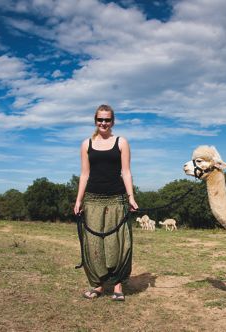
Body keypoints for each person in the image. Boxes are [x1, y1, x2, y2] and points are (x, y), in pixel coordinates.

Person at [74, 104, 138, 301]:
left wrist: (131, 197)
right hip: (92, 199)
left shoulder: (121, 142)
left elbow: (126, 172)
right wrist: (78, 200)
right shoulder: (86, 144)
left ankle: (118, 286)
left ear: (113, 121)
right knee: (94, 243)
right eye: (100, 119)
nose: (103, 123)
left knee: (116, 243)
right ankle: (98, 285)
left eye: (107, 120)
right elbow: (84, 174)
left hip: (116, 198)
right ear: (95, 121)